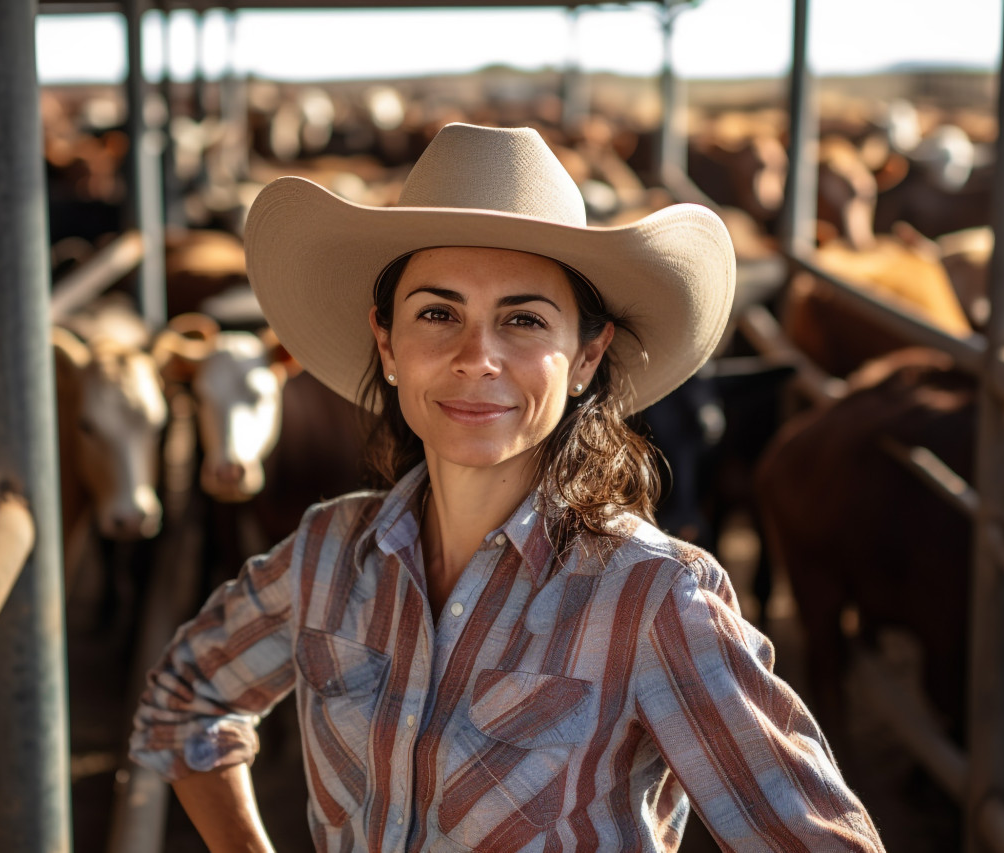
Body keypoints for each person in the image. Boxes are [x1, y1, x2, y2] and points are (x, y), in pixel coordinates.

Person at [130, 122, 884, 853]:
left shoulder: (651, 599)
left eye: (523, 319)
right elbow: (184, 700)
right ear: (387, 342)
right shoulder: (327, 554)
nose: (476, 356)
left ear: (586, 357)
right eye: (436, 312)